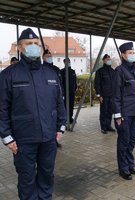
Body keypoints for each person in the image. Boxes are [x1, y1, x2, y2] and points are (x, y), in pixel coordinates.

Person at [0, 28, 66, 200]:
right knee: (27, 180)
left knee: (46, 176)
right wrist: (7, 137)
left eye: (37, 44)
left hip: (48, 138)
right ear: (20, 48)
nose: (34, 47)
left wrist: (61, 126)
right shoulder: (9, 75)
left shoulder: (51, 73)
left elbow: (59, 102)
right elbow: (2, 108)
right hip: (23, 141)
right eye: (29, 44)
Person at [112, 42, 135, 180]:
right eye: (129, 53)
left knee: (132, 140)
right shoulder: (119, 71)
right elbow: (115, 95)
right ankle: (123, 169)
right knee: (124, 142)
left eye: (133, 52)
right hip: (124, 114)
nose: (132, 54)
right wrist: (118, 115)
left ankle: (130, 164)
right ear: (123, 55)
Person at [43, 49, 63, 147]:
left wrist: (61, 95)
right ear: (43, 58)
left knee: (57, 119)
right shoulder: (41, 70)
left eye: (50, 56)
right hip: (47, 100)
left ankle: (56, 140)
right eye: (47, 56)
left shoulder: (56, 69)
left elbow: (60, 84)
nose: (49, 58)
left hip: (56, 99)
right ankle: (49, 140)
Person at [94, 54, 116, 134]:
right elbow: (97, 84)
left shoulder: (113, 71)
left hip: (112, 95)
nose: (109, 61)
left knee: (110, 111)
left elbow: (115, 84)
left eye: (109, 59)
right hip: (104, 96)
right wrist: (99, 95)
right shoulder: (100, 71)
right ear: (103, 61)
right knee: (104, 111)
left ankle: (108, 126)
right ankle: (103, 127)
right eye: (107, 59)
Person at [60, 58, 77, 124]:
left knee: (71, 105)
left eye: (69, 61)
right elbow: (61, 83)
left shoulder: (73, 71)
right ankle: (65, 118)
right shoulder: (62, 71)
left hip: (72, 92)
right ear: (64, 62)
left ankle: (70, 118)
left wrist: (75, 88)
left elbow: (75, 81)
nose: (68, 62)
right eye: (67, 62)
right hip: (65, 92)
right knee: (65, 106)